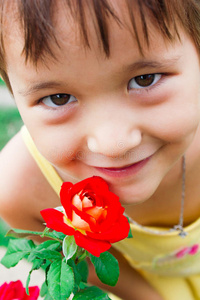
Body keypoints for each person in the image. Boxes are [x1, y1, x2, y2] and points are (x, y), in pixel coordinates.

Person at [0, 0, 200, 299]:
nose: (113, 144)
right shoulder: (20, 190)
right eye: (58, 98)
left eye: (144, 79)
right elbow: (86, 267)